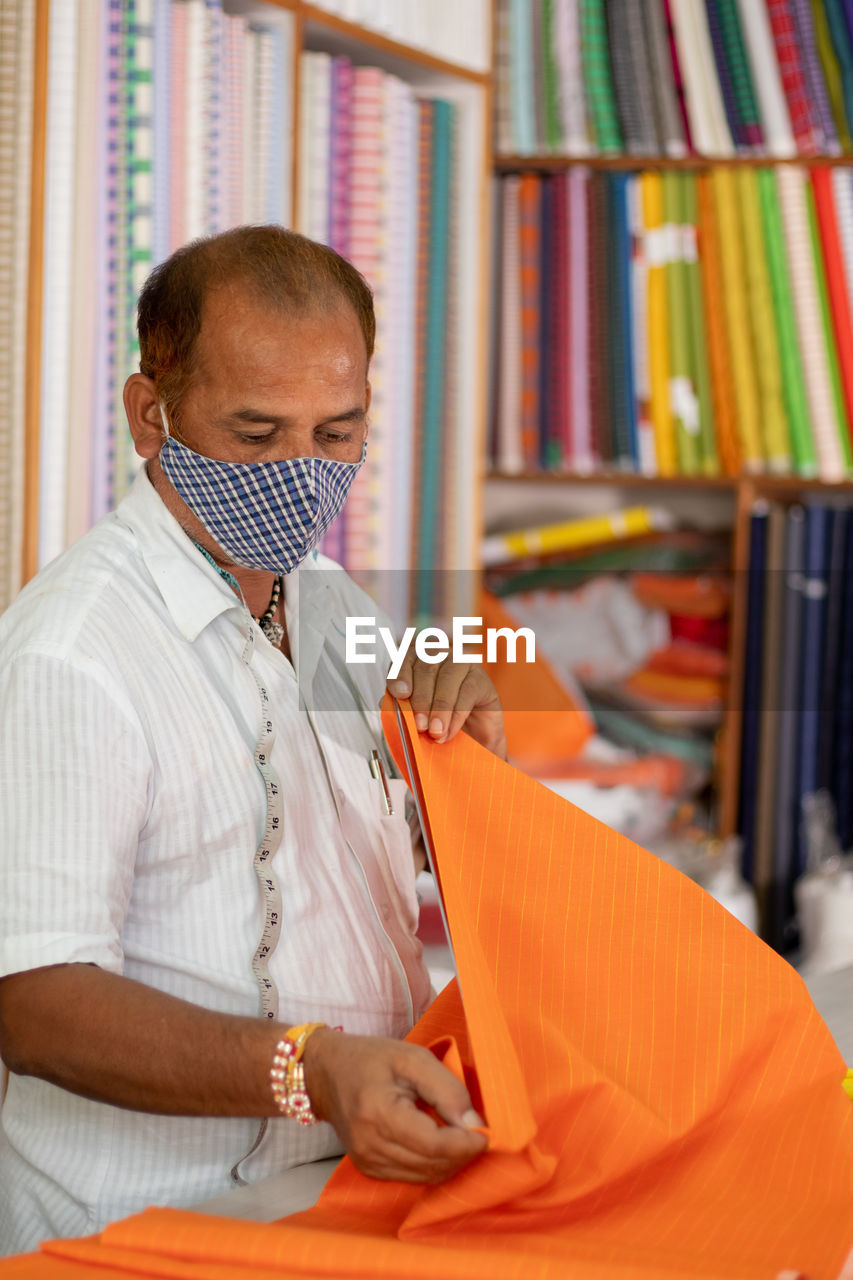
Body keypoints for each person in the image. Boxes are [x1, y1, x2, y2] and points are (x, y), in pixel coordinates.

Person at [0, 226, 506, 1254]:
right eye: (256, 432)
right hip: (137, 1229)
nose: (301, 478)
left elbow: (368, 868)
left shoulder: (331, 606)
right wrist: (308, 1067)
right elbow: (31, 999)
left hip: (331, 1196)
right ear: (152, 415)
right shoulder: (74, 651)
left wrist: (469, 772)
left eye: (335, 435)